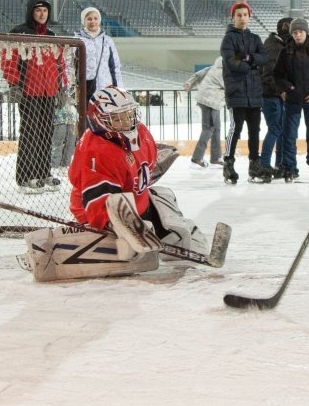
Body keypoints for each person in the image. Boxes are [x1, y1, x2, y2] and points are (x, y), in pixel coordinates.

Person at [18, 86, 206, 281]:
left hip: (133, 202)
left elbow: (140, 169)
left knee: (163, 199)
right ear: (99, 121)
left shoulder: (141, 132)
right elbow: (101, 201)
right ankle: (109, 242)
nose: (126, 122)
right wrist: (120, 229)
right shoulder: (98, 150)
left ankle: (174, 247)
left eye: (129, 115)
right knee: (129, 249)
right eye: (117, 118)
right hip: (100, 212)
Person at [2, 0, 69, 191]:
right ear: (31, 12)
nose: (42, 14)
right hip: (28, 91)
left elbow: (60, 64)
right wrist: (13, 84)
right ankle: (25, 177)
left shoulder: (52, 35)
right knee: (30, 134)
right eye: (38, 10)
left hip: (49, 92)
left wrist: (62, 86)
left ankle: (43, 173)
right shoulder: (19, 32)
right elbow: (9, 58)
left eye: (45, 11)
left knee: (46, 133)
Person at [273, 18, 309, 182]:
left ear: (306, 32)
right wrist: (287, 88)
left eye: (300, 32)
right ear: (291, 34)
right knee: (289, 136)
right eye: (294, 32)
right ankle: (289, 168)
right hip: (292, 100)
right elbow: (277, 75)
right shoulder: (285, 52)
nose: (298, 35)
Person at [220, 0, 269, 183]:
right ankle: (228, 163)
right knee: (236, 128)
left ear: (249, 16)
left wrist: (247, 58)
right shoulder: (228, 38)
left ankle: (254, 164)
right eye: (238, 15)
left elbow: (264, 58)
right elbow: (231, 61)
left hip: (254, 93)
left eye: (245, 14)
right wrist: (250, 66)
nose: (242, 18)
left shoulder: (255, 38)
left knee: (255, 130)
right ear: (233, 17)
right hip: (237, 92)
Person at [259, 17, 292, 178]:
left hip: (274, 94)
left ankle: (278, 164)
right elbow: (270, 74)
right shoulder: (273, 46)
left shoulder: (278, 45)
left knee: (279, 129)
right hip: (270, 94)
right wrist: (281, 91)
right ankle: (264, 164)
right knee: (275, 129)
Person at [183, 56, 225, 168]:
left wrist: (189, 83)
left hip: (211, 101)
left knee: (216, 128)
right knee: (209, 128)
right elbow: (229, 87)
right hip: (209, 101)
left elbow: (198, 74)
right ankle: (197, 158)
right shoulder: (225, 71)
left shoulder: (216, 66)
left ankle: (216, 157)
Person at [75, 6, 123, 100]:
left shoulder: (107, 41)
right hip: (85, 88)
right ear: (83, 22)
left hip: (106, 88)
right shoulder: (77, 41)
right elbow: (71, 66)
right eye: (89, 19)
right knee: (85, 114)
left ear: (99, 20)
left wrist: (119, 89)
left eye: (95, 18)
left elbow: (115, 67)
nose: (93, 21)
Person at [50, 88, 78, 172]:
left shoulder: (73, 78)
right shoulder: (60, 78)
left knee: (69, 142)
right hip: (62, 113)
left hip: (69, 113)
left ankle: (62, 165)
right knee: (60, 141)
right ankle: (56, 166)